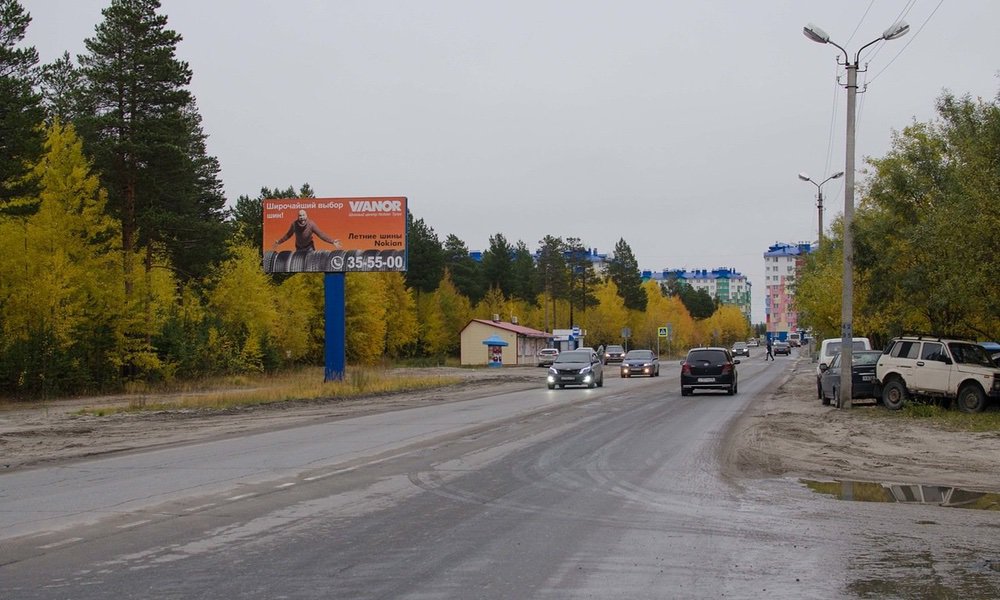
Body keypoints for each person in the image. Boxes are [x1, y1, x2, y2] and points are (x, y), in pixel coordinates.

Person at [272, 209, 341, 251]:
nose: (302, 217)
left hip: (309, 248)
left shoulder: (311, 224)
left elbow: (321, 234)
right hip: (299, 248)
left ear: (306, 216)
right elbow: (288, 235)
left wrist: (332, 241)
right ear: (298, 217)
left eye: (303, 215)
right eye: (300, 216)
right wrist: (279, 242)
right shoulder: (294, 224)